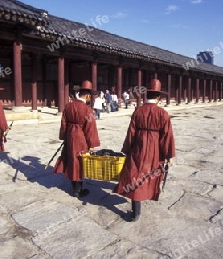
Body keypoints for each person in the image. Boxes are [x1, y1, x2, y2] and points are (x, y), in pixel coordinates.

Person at [113, 79, 176, 221]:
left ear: (146, 95)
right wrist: (169, 155)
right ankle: (143, 200)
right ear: (158, 98)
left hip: (138, 148)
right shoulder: (163, 113)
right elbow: (167, 135)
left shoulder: (138, 111)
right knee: (149, 175)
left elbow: (131, 132)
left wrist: (128, 149)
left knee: (135, 176)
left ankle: (136, 211)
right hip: (155, 150)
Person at [53, 80, 100, 198]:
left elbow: (64, 123)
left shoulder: (68, 106)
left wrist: (64, 136)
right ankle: (78, 190)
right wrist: (91, 144)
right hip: (80, 138)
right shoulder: (87, 110)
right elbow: (90, 129)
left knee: (71, 160)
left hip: (70, 135)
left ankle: (74, 187)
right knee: (79, 162)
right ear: (88, 95)